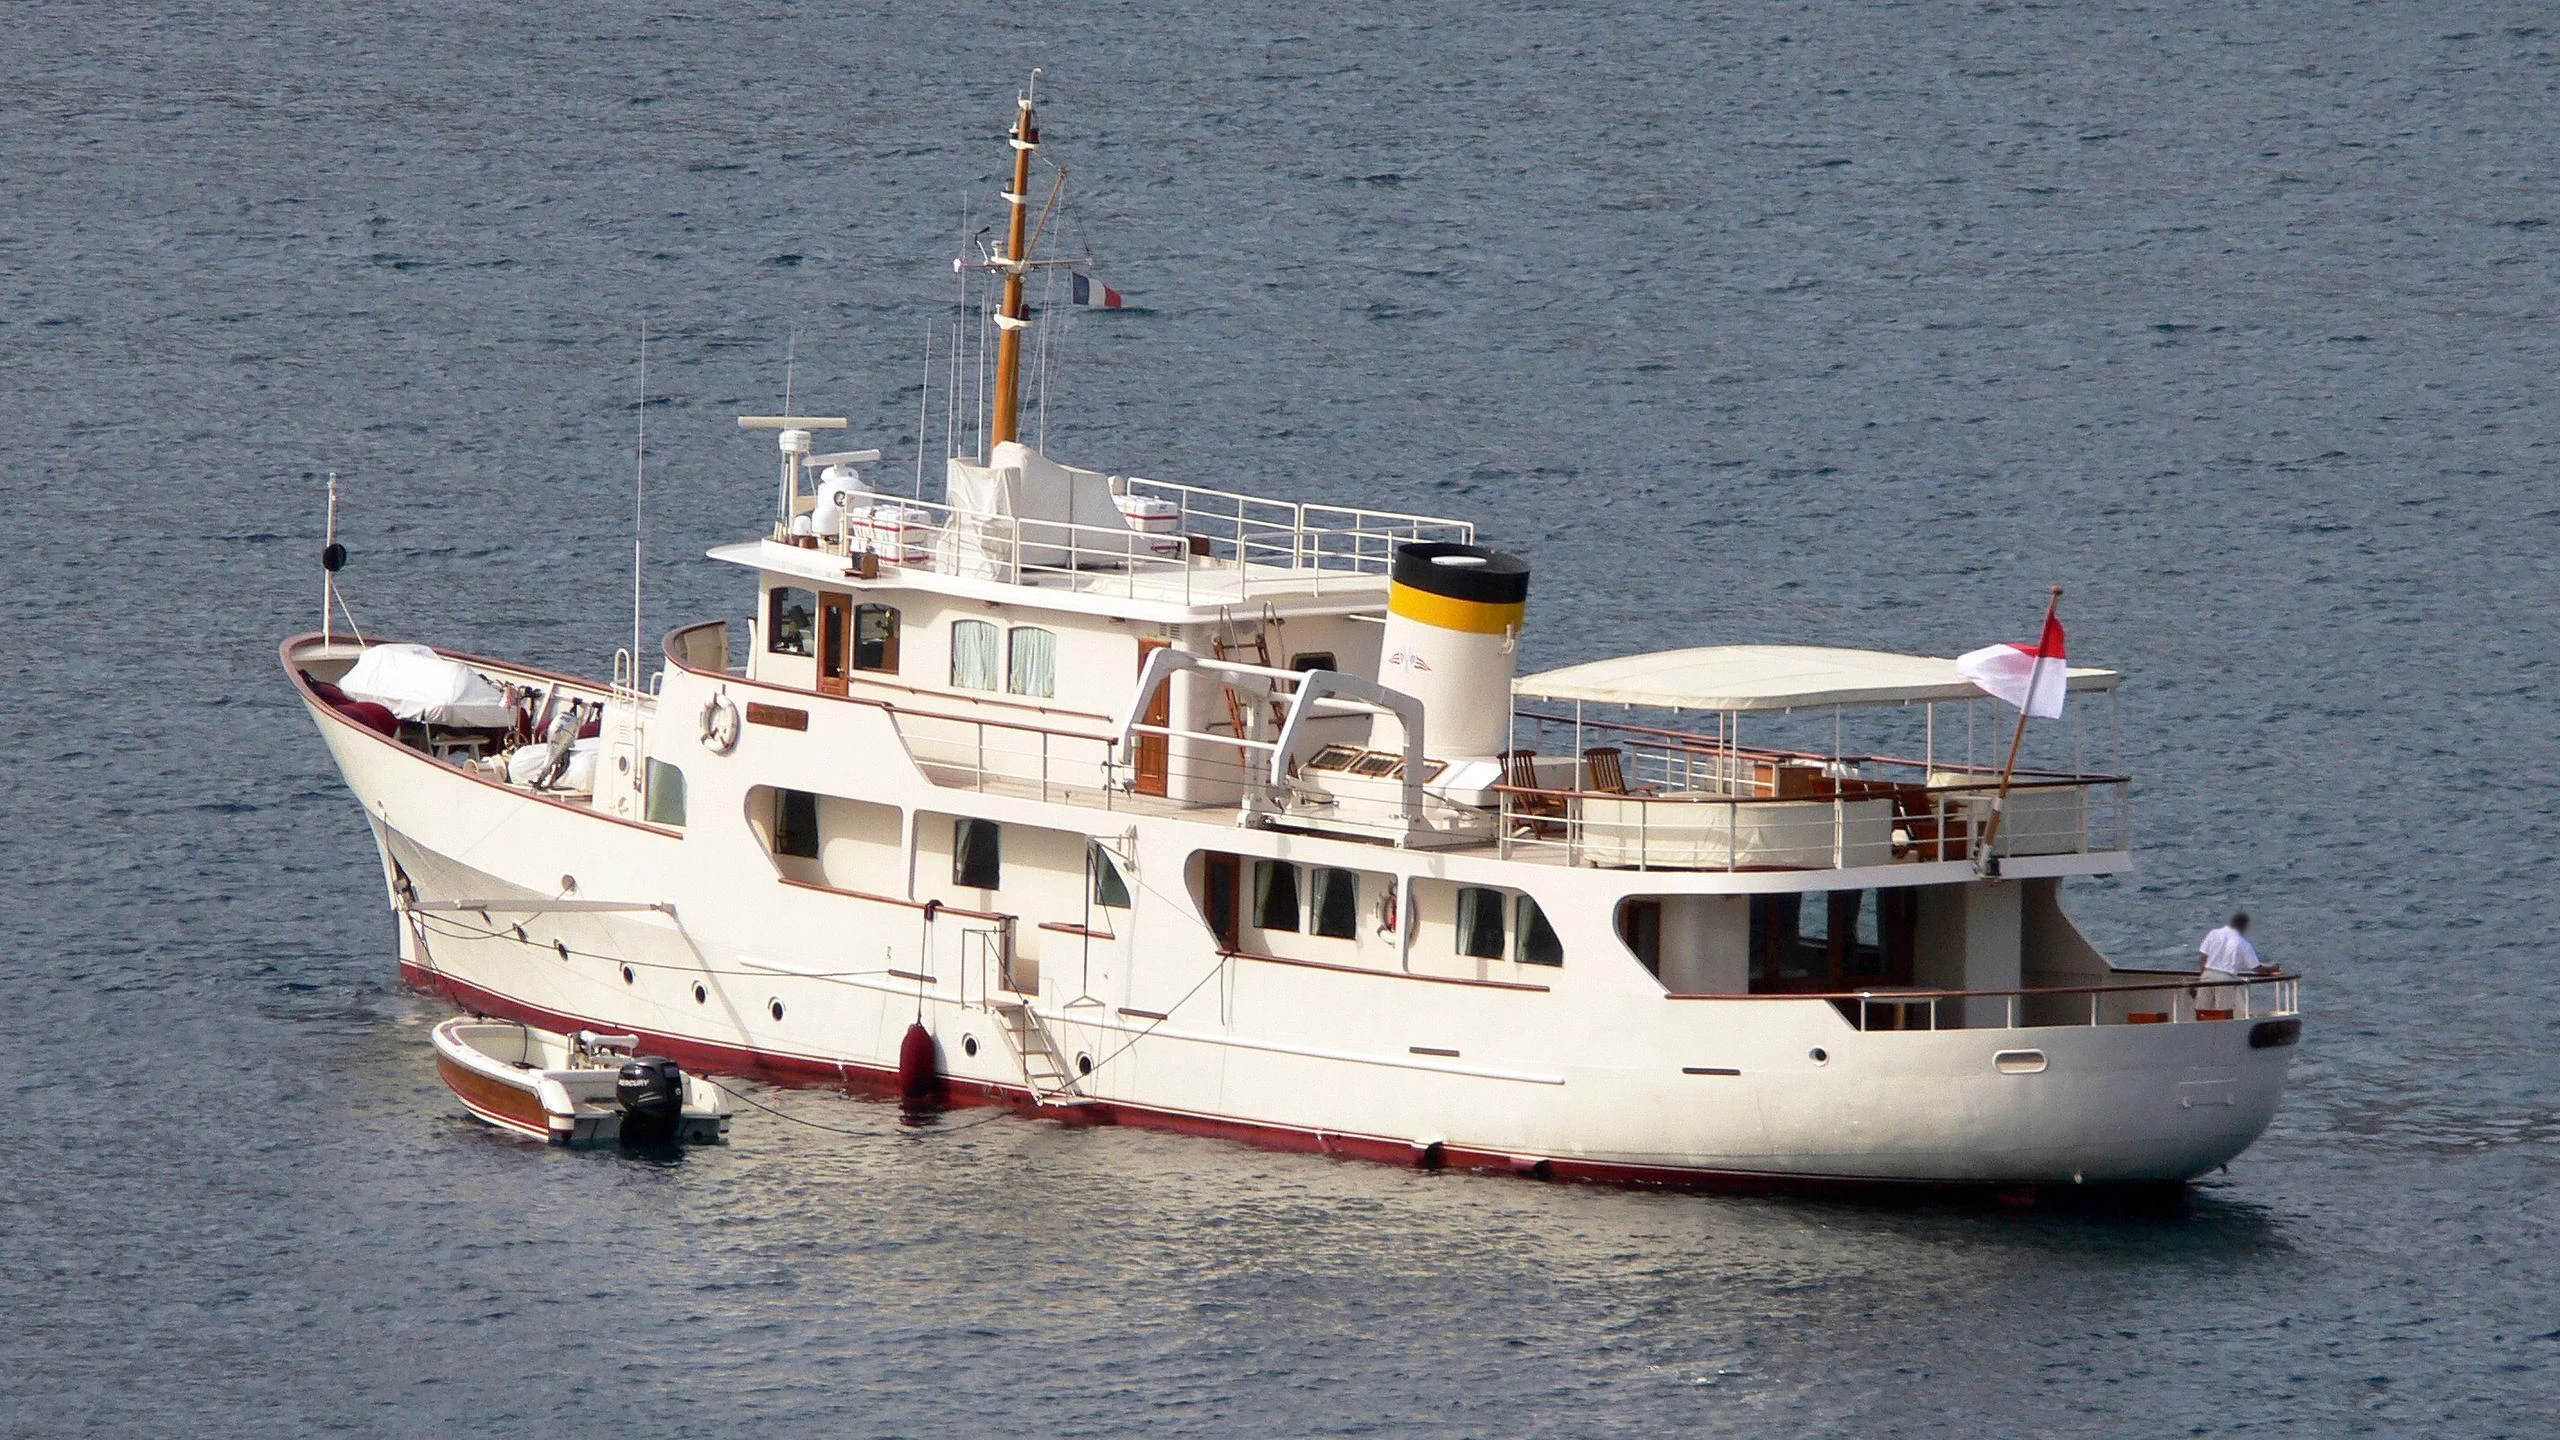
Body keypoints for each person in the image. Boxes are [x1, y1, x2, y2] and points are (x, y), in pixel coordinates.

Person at [2196, 912, 2266, 1014]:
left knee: (2203, 1009)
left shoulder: (2214, 933)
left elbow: (2203, 957)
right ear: (2244, 926)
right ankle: (2221, 1029)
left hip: (2208, 974)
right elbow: (2256, 968)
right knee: (2222, 1011)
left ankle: (2201, 1027)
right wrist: (2272, 968)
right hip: (2226, 977)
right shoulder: (2243, 943)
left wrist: (2202, 976)